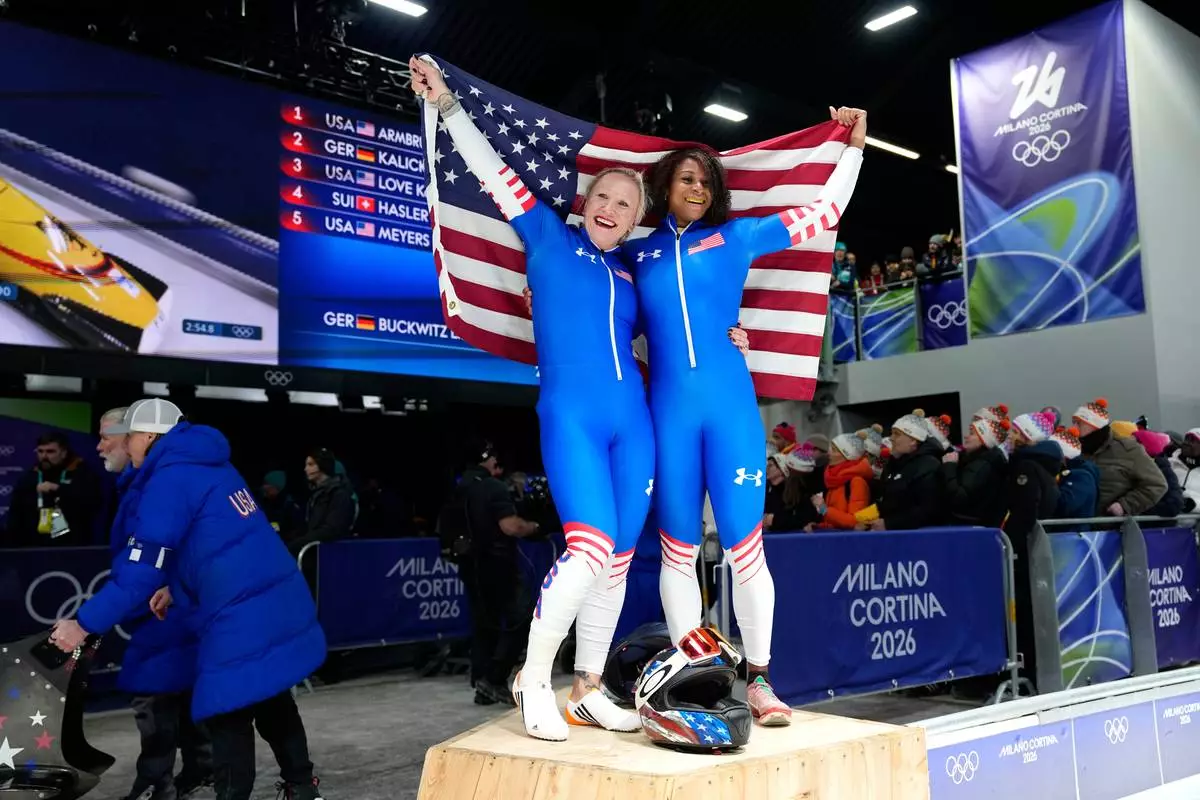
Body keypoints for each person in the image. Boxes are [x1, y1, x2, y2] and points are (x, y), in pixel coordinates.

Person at [410, 56, 740, 742]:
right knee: (587, 549)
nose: (612, 208)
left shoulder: (630, 272)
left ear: (634, 220)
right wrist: (448, 109)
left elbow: (682, 328)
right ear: (583, 203)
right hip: (574, 421)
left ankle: (588, 686)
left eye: (626, 203)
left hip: (637, 426)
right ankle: (532, 678)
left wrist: (726, 330)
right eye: (603, 197)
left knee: (619, 558)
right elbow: (492, 171)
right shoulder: (546, 239)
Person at [629, 106, 867, 726]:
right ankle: (690, 676)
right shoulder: (636, 253)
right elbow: (588, 283)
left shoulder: (736, 237)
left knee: (745, 551)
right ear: (664, 187)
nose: (697, 189)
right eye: (686, 179)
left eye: (706, 182)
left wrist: (855, 150)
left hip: (730, 411)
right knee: (678, 553)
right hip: (668, 417)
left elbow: (822, 214)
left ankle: (760, 680)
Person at [50, 398, 328, 800]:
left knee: (226, 707)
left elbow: (139, 570)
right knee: (269, 696)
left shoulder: (171, 477)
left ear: (148, 435)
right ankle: (303, 787)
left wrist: (82, 624)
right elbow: (210, 540)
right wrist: (174, 586)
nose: (125, 447)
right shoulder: (210, 464)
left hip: (240, 611)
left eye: (128, 437)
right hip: (271, 599)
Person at [96, 407, 213, 800]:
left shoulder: (155, 484)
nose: (100, 445)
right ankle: (197, 770)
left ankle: (158, 781)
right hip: (165, 608)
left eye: (106, 436)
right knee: (176, 691)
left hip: (167, 610)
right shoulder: (137, 484)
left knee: (155, 692)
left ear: (136, 437)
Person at [451, 440, 541, 706]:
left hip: (469, 564)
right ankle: (494, 678)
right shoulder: (493, 487)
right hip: (497, 563)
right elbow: (510, 526)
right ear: (490, 461)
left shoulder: (459, 487)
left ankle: (483, 684)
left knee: (483, 624)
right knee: (520, 619)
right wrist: (536, 526)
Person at [4, 430, 103, 547]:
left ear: (64, 453)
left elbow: (92, 504)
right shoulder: (29, 477)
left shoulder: (82, 473)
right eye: (40, 451)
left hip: (72, 546)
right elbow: (15, 515)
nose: (44, 456)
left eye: (50, 452)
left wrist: (60, 490)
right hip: (32, 547)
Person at [939, 417, 1010, 527]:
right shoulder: (981, 460)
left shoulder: (982, 464)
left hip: (967, 526)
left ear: (984, 440)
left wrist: (949, 466)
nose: (966, 436)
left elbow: (959, 498)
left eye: (972, 433)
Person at [288, 449, 356, 555]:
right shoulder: (316, 494)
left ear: (323, 466)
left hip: (331, 556)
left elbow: (332, 529)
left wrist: (299, 543)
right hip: (314, 553)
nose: (306, 469)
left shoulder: (339, 494)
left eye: (311, 464)